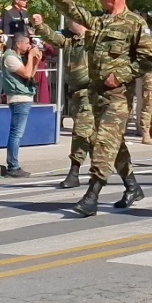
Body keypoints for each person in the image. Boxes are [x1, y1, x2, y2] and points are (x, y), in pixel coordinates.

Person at [51, 0, 152, 216]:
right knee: (114, 143)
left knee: (103, 143)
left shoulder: (135, 24)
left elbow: (148, 59)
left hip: (118, 96)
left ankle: (92, 194)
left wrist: (120, 76)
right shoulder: (100, 21)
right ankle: (132, 186)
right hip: (96, 94)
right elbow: (78, 14)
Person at [33, 10, 95, 187]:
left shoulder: (94, 39)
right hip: (75, 93)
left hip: (90, 93)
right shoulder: (69, 40)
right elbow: (52, 37)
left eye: (72, 20)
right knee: (93, 137)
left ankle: (74, 173)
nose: (69, 23)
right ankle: (124, 178)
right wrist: (39, 24)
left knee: (81, 133)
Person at [0, 32, 41, 177]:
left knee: (17, 133)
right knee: (16, 134)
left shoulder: (16, 57)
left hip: (24, 97)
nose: (29, 46)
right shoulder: (10, 57)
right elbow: (27, 74)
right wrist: (29, 56)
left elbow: (30, 75)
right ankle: (13, 166)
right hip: (18, 98)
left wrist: (35, 61)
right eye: (27, 43)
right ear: (18, 44)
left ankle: (13, 165)